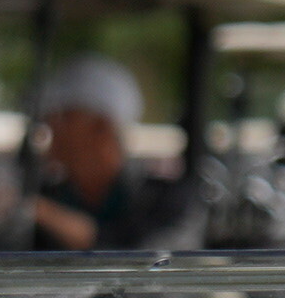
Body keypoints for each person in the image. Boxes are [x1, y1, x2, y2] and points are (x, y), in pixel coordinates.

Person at [16, 53, 174, 249]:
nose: (51, 125)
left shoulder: (166, 200)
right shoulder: (49, 193)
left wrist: (38, 209)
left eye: (65, 117)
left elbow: (142, 254)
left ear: (102, 127)